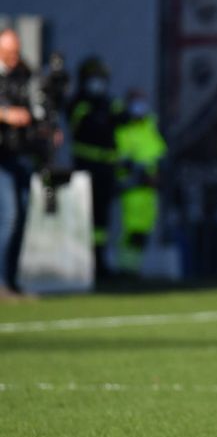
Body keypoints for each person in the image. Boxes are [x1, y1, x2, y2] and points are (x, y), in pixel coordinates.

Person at [69, 56, 123, 278]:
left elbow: (123, 120)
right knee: (86, 217)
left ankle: (100, 262)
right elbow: (83, 127)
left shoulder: (108, 103)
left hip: (107, 169)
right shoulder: (79, 103)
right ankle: (84, 263)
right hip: (86, 169)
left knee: (102, 219)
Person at [0, 29, 38, 299]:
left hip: (21, 153)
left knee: (22, 217)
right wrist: (5, 114)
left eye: (16, 51)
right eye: (8, 51)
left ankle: (11, 281)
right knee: (9, 216)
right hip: (1, 157)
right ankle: (1, 281)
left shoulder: (25, 75)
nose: (14, 57)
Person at [113, 90, 166, 274]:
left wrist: (156, 173)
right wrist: (137, 172)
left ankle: (134, 267)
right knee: (131, 230)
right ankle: (125, 268)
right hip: (132, 185)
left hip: (148, 187)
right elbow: (120, 154)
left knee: (143, 229)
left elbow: (158, 151)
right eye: (136, 101)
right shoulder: (123, 126)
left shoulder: (150, 124)